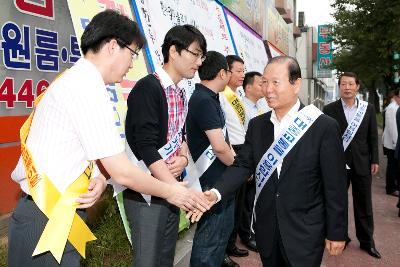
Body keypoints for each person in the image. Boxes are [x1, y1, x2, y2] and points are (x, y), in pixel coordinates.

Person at [8, 11, 209, 267]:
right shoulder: (87, 88)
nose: (131, 64)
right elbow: (123, 172)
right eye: (133, 54)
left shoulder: (78, 81)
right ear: (113, 46)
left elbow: (71, 149)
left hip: (54, 214)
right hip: (46, 218)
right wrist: (172, 192)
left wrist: (99, 179)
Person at [190, 56, 348, 267]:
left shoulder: (323, 127)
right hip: (267, 229)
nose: (268, 89)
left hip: (305, 231)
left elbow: (335, 184)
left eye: (276, 82)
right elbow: (243, 165)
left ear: (296, 84)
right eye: (265, 82)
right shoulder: (257, 126)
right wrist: (215, 193)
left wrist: (336, 232)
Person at [123, 24, 207, 267]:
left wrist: (182, 159)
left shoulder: (180, 93)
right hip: (147, 192)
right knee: (147, 260)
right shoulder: (148, 88)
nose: (199, 62)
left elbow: (179, 135)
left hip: (169, 189)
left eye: (201, 56)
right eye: (195, 53)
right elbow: (146, 145)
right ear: (173, 51)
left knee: (164, 258)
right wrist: (175, 190)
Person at [323, 72, 381, 258]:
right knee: (338, 202)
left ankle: (367, 241)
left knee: (364, 203)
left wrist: (375, 160)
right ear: (339, 87)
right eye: (343, 84)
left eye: (350, 84)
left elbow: (372, 136)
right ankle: (341, 236)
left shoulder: (368, 109)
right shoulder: (329, 109)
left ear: (357, 86)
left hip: (362, 162)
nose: (347, 87)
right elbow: (325, 139)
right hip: (337, 164)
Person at [186, 51, 236, 267]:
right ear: (223, 73)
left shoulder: (210, 98)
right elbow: (219, 147)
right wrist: (240, 167)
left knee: (219, 236)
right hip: (210, 179)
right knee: (210, 239)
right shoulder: (203, 100)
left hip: (220, 177)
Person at [219, 55, 248, 267]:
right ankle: (223, 250)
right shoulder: (221, 96)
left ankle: (231, 243)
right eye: (238, 71)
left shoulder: (238, 97)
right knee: (229, 204)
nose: (242, 75)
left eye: (243, 71)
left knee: (238, 204)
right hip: (230, 151)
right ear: (226, 72)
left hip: (243, 150)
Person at [238, 71, 268, 252]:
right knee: (247, 201)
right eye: (260, 83)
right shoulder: (242, 108)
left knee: (252, 200)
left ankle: (250, 231)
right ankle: (247, 235)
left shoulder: (260, 107)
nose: (263, 87)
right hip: (249, 162)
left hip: (260, 162)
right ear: (248, 87)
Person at [382, 89, 400, 196]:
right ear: (396, 97)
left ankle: (394, 185)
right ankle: (391, 188)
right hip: (392, 143)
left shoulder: (396, 107)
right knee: (392, 166)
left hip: (395, 143)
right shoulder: (392, 108)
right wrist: (396, 143)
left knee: (394, 166)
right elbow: (393, 128)